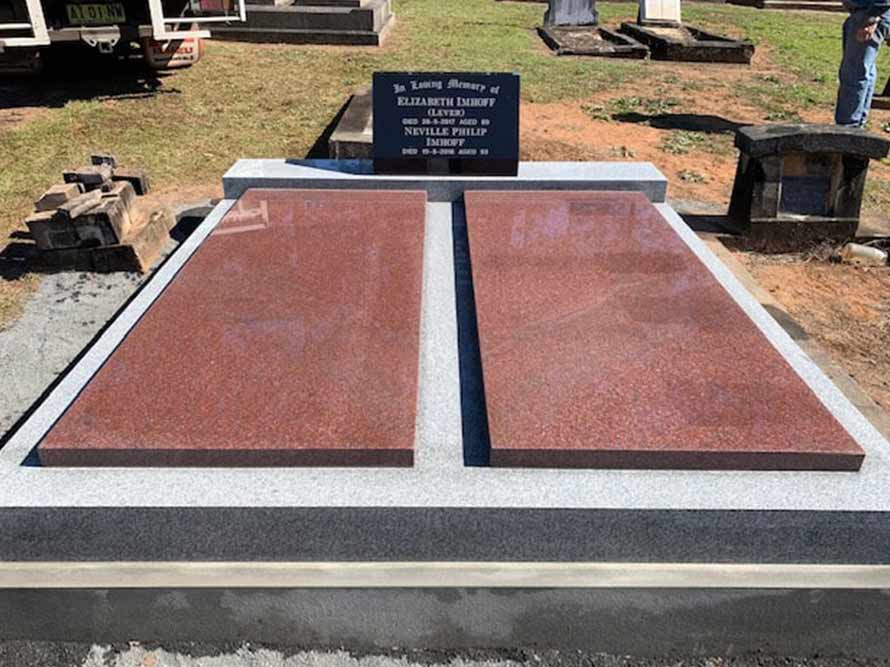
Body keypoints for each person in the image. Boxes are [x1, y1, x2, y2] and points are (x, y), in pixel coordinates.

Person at [836, 0, 890, 127]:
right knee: (865, 71)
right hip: (866, 13)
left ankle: (847, 129)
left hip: (868, 14)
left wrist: (871, 19)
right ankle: (856, 125)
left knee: (854, 73)